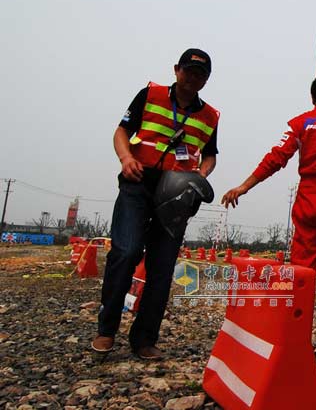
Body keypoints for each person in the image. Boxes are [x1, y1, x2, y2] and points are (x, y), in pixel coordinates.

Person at [221, 75, 316, 362]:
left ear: (312, 99)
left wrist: (244, 186)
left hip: (306, 201)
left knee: (300, 268)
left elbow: (276, 157)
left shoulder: (300, 123)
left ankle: (290, 333)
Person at [92, 48, 220, 360]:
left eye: (200, 74)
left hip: (176, 196)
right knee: (126, 251)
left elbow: (210, 155)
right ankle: (106, 329)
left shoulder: (210, 116)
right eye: (189, 71)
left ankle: (145, 340)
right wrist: (125, 158)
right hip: (138, 183)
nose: (193, 78)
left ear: (207, 80)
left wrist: (198, 178)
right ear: (177, 70)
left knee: (162, 268)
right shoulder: (150, 95)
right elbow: (122, 131)